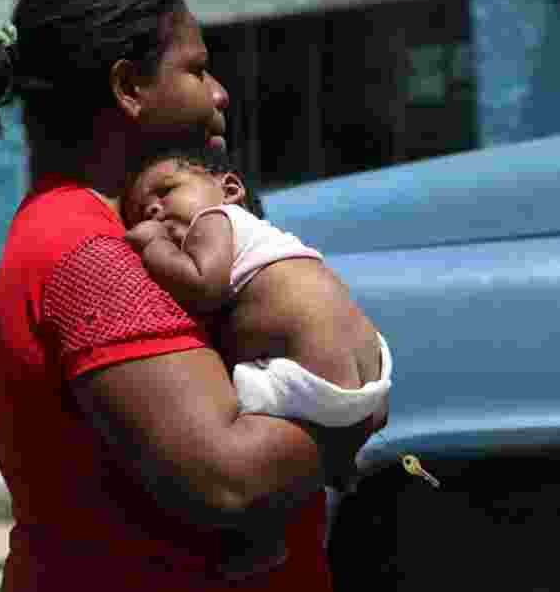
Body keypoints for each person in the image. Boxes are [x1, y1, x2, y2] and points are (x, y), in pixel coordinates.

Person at [0, 0, 379, 592]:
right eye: (196, 70)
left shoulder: (114, 231)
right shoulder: (88, 249)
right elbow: (230, 479)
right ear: (128, 88)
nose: (219, 93)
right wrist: (350, 416)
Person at [123, 145, 392, 578]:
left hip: (311, 377)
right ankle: (337, 470)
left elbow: (203, 285)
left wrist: (152, 247)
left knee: (232, 420)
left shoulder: (215, 221)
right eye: (140, 209)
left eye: (166, 190)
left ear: (228, 189)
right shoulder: (263, 238)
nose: (153, 207)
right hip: (370, 369)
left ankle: (255, 541)